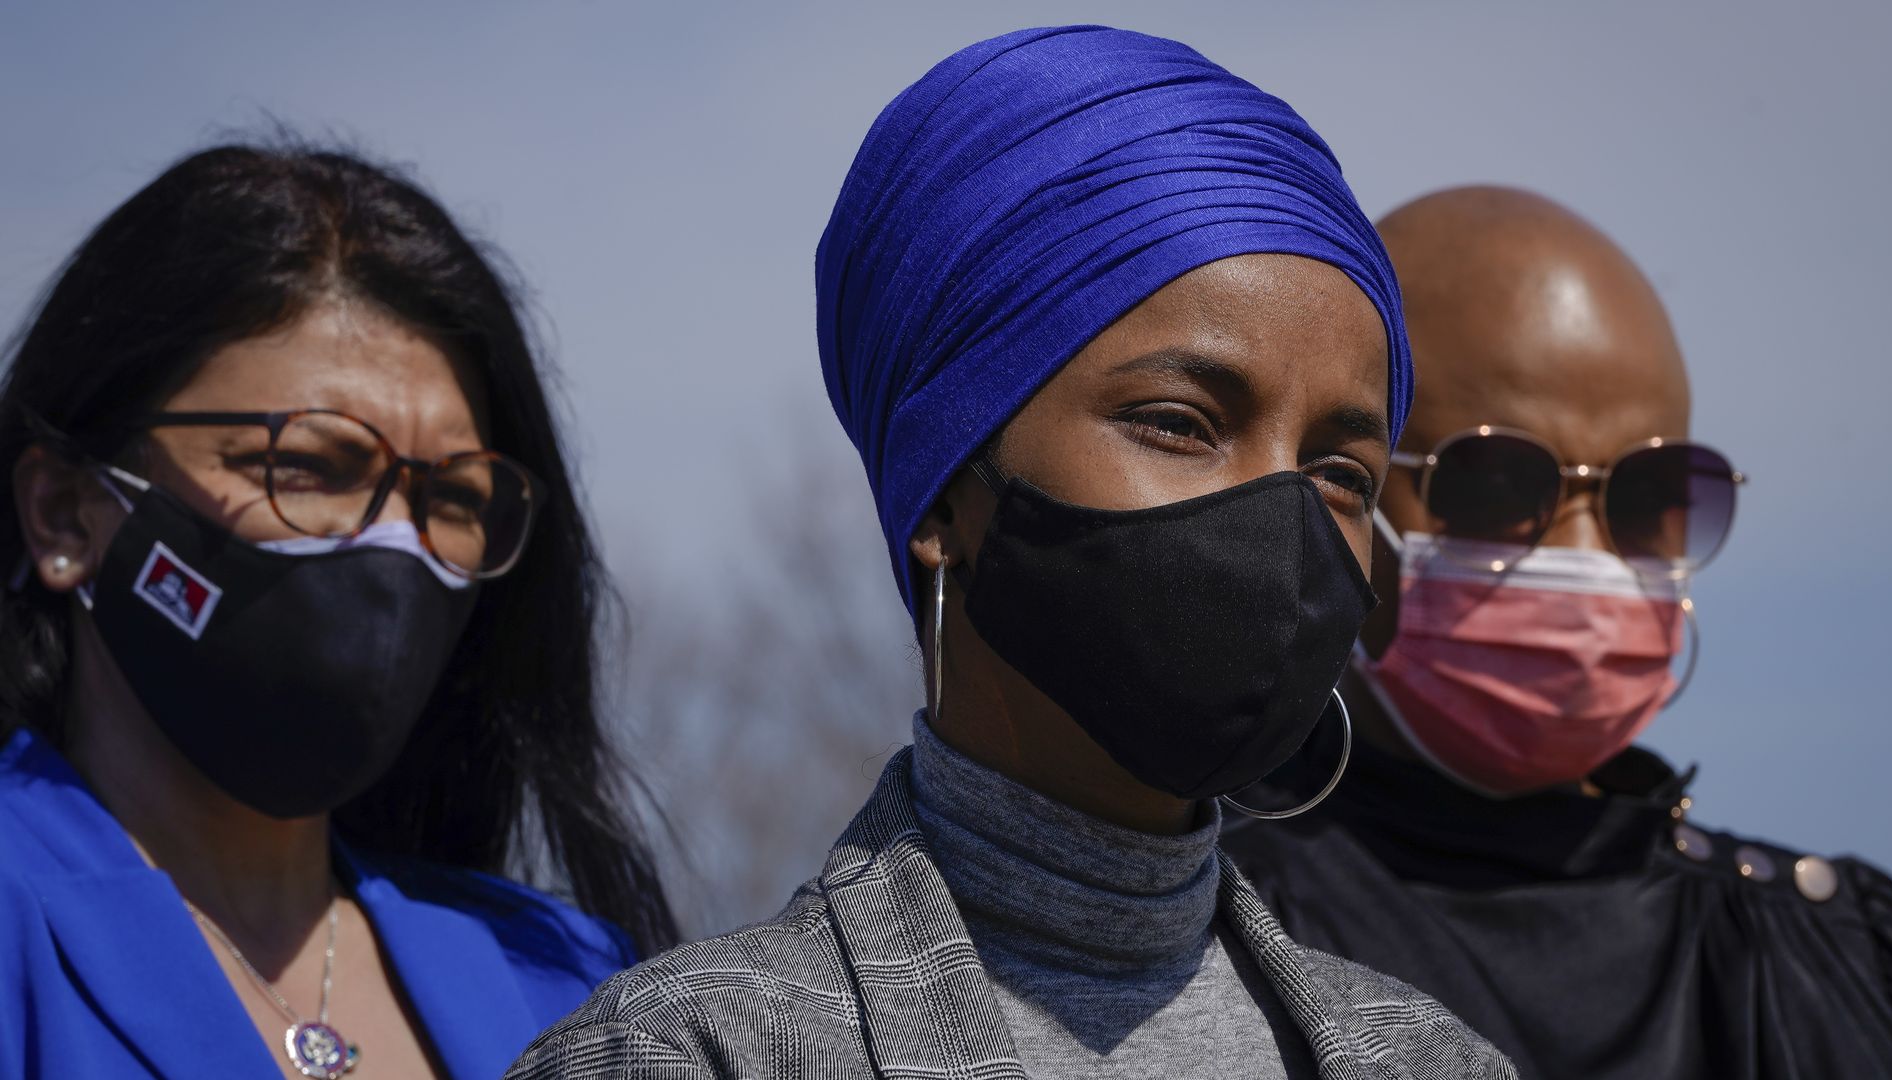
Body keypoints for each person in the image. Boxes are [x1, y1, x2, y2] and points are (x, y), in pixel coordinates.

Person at [511, 27, 1516, 1080]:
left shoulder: (1436, 1064)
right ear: (946, 492)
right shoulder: (690, 1054)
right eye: (1179, 423)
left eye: (1341, 474)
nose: (1282, 520)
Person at [0, 144, 678, 1080]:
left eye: (457, 497)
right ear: (66, 514)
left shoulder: (569, 980)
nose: (394, 546)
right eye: (308, 467)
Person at [1221, 186, 1892, 1077]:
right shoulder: (1200, 926)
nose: (1587, 556)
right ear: (1338, 494)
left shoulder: (1830, 956)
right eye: (1497, 484)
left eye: (1651, 495)